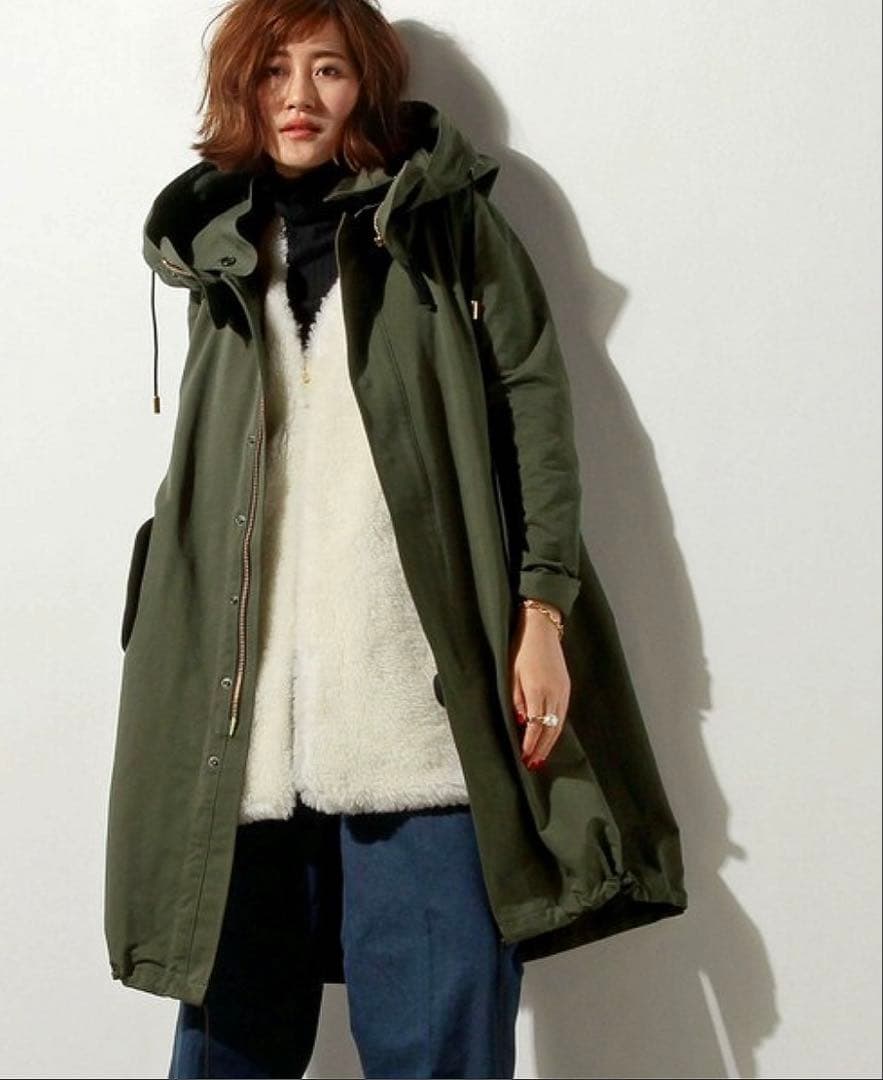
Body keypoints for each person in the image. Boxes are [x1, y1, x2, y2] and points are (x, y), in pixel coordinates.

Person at [104, 1, 688, 1078]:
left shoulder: (444, 226)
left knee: (439, 1038)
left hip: (414, 708)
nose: (298, 96)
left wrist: (543, 609)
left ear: (365, 86)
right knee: (228, 1038)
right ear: (241, 89)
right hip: (246, 717)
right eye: (272, 71)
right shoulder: (219, 254)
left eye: (327, 70)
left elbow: (535, 414)